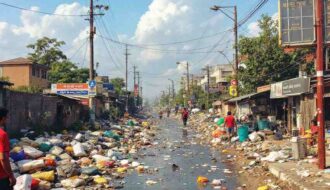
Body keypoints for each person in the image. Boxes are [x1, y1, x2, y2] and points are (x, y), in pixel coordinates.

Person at [0, 107, 16, 190]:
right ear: (3, 118)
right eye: (6, 117)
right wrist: (11, 176)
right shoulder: (2, 134)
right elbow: (3, 158)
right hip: (2, 177)